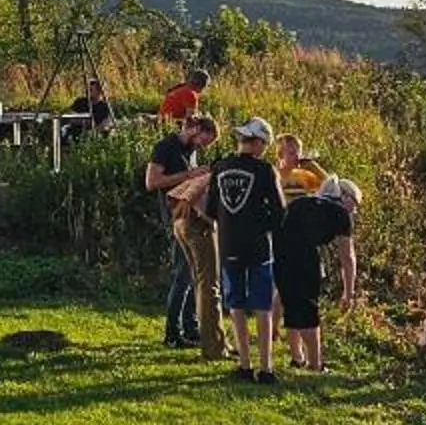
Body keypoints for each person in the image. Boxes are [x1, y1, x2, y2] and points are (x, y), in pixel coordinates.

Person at [208, 117, 288, 381]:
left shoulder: (219, 167)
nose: (264, 149)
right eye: (263, 144)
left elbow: (211, 209)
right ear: (256, 143)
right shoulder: (265, 171)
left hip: (229, 242)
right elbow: (280, 211)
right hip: (258, 246)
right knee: (263, 305)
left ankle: (244, 364)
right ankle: (266, 367)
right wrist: (260, 223)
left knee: (236, 305)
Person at [278, 174, 361, 376]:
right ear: (345, 197)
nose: (354, 210)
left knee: (291, 305)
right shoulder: (340, 213)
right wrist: (348, 292)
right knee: (308, 309)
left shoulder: (303, 202)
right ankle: (316, 364)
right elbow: (347, 258)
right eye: (355, 203)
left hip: (279, 253)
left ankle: (298, 357)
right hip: (304, 257)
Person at [145, 111, 214, 352]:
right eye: (204, 141)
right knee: (182, 274)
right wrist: (189, 175)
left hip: (190, 215)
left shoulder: (190, 150)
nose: (203, 147)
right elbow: (152, 182)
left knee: (194, 273)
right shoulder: (166, 147)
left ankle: (190, 327)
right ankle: (172, 332)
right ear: (196, 130)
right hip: (174, 216)